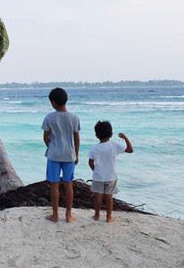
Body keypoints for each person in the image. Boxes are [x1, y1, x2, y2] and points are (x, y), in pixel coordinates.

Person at [41, 88, 80, 223]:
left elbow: (45, 137)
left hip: (54, 155)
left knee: (54, 185)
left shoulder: (49, 117)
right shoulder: (74, 117)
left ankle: (55, 214)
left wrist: (51, 146)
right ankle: (68, 215)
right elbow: (76, 138)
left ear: (53, 102)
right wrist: (76, 154)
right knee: (68, 184)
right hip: (69, 155)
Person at [88, 121, 134, 222]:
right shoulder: (114, 145)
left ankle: (96, 215)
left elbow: (90, 162)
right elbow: (130, 150)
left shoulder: (94, 147)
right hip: (111, 176)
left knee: (98, 196)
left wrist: (95, 171)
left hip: (98, 176)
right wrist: (125, 138)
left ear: (96, 135)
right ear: (111, 134)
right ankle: (108, 217)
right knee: (109, 197)